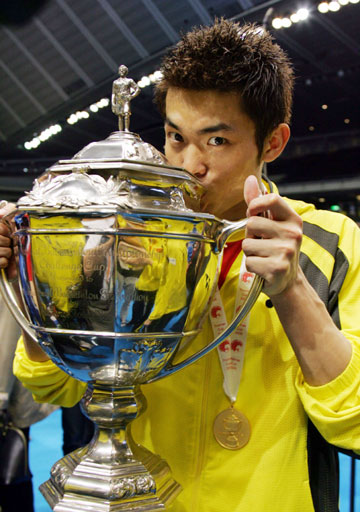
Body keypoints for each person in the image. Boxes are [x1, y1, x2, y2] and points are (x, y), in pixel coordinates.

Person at [0, 18, 360, 512]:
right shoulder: (137, 235)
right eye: (175, 137)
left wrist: (293, 288)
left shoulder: (332, 242)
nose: (189, 164)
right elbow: (56, 386)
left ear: (272, 143)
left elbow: (356, 425)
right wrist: (32, 282)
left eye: (216, 141)